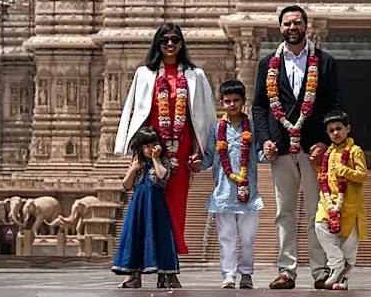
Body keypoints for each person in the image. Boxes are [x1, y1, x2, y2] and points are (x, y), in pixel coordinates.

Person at [114, 22, 217, 287]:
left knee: (174, 210)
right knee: (144, 205)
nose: (170, 44)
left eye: (175, 39)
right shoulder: (145, 74)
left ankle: (167, 270)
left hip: (180, 151)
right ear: (157, 44)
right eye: (164, 40)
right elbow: (136, 113)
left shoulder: (196, 75)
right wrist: (135, 151)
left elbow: (203, 118)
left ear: (181, 43)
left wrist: (200, 151)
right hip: (151, 149)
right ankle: (134, 269)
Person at [252, 5, 342, 290]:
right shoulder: (268, 64)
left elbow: (335, 106)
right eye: (287, 23)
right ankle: (286, 270)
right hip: (279, 147)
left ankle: (321, 271)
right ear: (280, 28)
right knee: (284, 210)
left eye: (297, 23)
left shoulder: (324, 62)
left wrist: (325, 142)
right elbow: (259, 106)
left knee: (318, 212)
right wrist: (264, 139)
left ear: (306, 26)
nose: (293, 28)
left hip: (314, 148)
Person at [201, 80, 267, 289]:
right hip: (223, 192)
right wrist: (194, 163)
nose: (232, 105)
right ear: (221, 103)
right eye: (227, 101)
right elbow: (210, 156)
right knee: (226, 237)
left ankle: (246, 273)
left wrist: (269, 154)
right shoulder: (216, 129)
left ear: (243, 102)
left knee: (247, 238)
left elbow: (258, 153)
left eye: (236, 100)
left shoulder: (253, 128)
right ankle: (229, 274)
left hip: (249, 193)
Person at [112, 126, 179, 289]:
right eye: (146, 146)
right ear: (140, 148)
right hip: (138, 208)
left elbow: (162, 175)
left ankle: (165, 275)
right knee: (135, 236)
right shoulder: (137, 163)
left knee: (161, 237)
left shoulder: (163, 161)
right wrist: (134, 169)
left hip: (156, 208)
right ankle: (134, 275)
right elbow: (126, 185)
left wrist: (156, 158)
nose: (150, 149)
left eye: (153, 145)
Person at [313, 110, 367, 291]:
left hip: (349, 204)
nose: (335, 133)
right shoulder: (328, 153)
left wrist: (345, 171)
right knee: (319, 226)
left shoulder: (355, 151)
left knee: (348, 245)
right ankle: (336, 262)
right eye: (331, 130)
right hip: (328, 202)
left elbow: (362, 176)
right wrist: (315, 164)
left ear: (348, 128)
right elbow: (324, 176)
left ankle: (343, 279)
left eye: (339, 128)